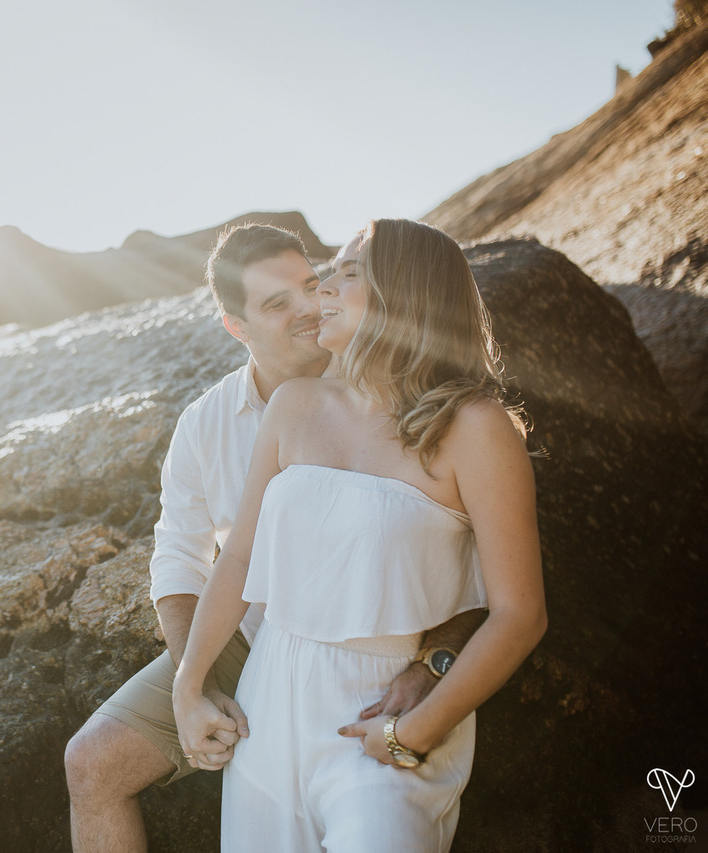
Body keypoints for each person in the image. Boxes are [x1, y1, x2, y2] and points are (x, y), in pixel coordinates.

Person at [64, 224, 487, 852]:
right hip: (246, 637)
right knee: (91, 761)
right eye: (276, 303)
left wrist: (434, 663)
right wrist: (194, 681)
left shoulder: (399, 384)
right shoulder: (207, 422)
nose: (310, 308)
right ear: (237, 327)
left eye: (311, 285)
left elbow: (471, 556)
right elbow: (184, 557)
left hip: (381, 644)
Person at [172, 218, 548, 851]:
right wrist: (188, 687)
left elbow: (520, 614)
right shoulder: (295, 404)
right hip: (269, 702)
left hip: (383, 717)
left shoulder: (476, 428)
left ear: (404, 297)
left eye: (349, 274)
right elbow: (237, 558)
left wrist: (418, 731)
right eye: (331, 273)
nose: (324, 290)